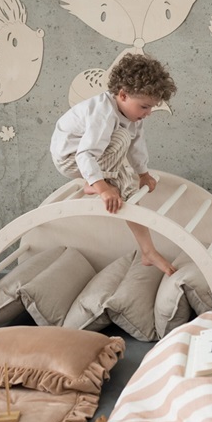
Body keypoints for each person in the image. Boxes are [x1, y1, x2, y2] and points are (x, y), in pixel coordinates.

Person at [50, 53, 177, 275]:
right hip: (72, 158)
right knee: (121, 139)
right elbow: (85, 154)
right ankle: (96, 183)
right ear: (123, 95)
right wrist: (102, 187)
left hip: (93, 160)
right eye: (144, 107)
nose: (148, 113)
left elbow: (137, 146)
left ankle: (148, 251)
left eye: (151, 108)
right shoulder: (103, 112)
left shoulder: (132, 116)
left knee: (128, 190)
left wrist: (143, 173)